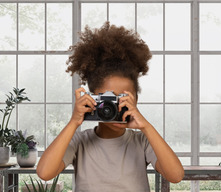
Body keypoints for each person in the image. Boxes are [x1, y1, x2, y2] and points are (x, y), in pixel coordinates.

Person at [37, 22, 184, 191]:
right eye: (108, 99)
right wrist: (73, 122)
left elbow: (176, 176)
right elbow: (44, 172)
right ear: (93, 99)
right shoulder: (80, 141)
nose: (115, 106)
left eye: (123, 98)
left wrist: (146, 126)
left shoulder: (141, 141)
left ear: (135, 100)